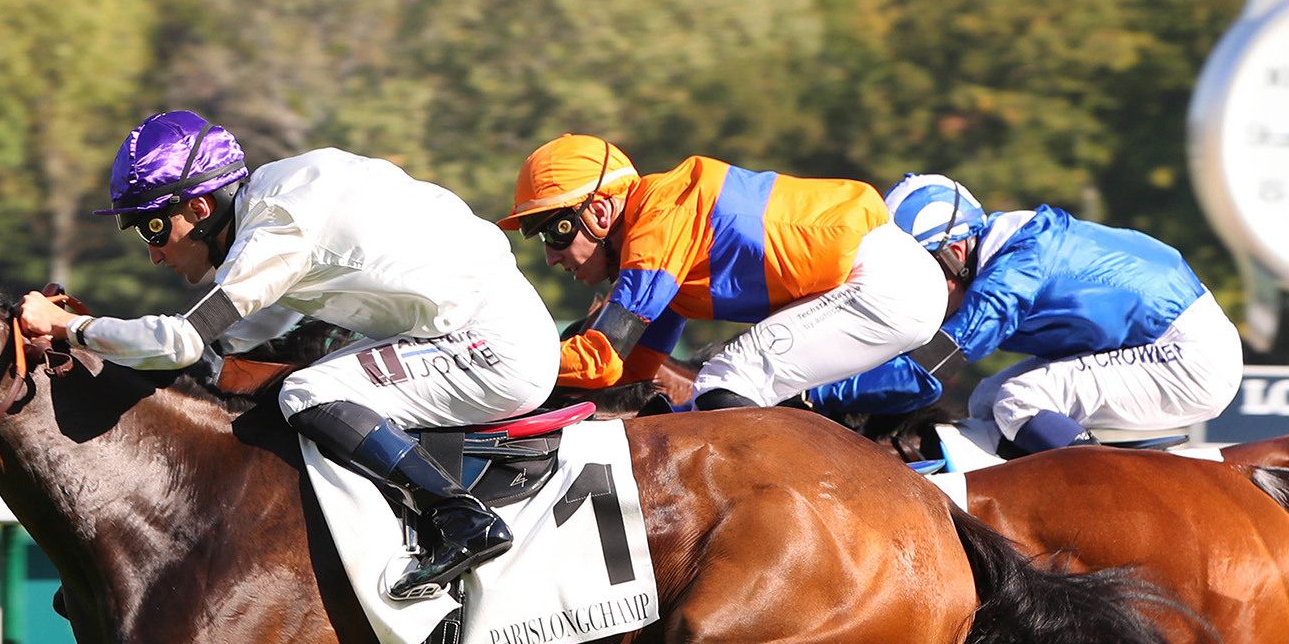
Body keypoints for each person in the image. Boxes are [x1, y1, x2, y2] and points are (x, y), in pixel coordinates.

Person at [19, 110, 560, 598]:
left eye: (154, 228)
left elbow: (184, 340)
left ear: (201, 207)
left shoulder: (277, 225)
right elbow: (236, 338)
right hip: (470, 326)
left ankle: (459, 516)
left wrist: (71, 326)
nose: (154, 254)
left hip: (491, 347)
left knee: (309, 391)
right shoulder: (274, 202)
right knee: (283, 384)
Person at [496, 134, 949, 417]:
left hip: (885, 282)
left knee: (724, 385)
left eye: (551, 235)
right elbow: (631, 371)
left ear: (598, 210)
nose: (553, 259)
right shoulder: (661, 243)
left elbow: (602, 358)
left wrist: (496, 366)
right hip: (885, 285)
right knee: (717, 394)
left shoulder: (659, 217)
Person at [838, 173, 1244, 455]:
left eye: (919, 273)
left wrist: (811, 392)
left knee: (1020, 400)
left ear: (956, 252)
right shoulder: (999, 255)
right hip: (1164, 337)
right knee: (986, 401)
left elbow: (925, 371)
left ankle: (1106, 495)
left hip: (1190, 355)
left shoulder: (1013, 275)